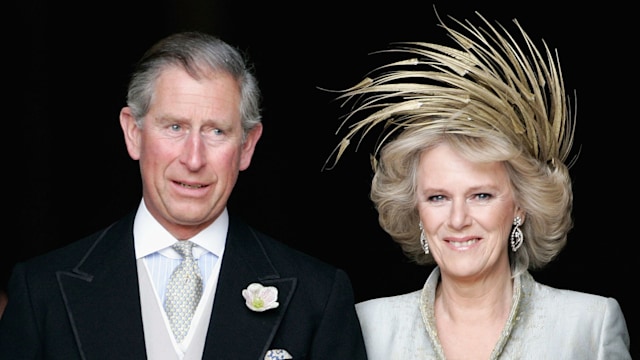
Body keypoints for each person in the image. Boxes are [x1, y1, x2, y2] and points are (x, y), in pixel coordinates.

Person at [0, 31, 367, 359]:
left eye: (216, 131)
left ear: (247, 146)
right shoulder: (41, 291)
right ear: (133, 132)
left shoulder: (317, 296)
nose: (193, 158)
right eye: (174, 127)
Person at [323, 10, 631, 360]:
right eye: (437, 197)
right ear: (417, 210)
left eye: (480, 195)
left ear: (520, 204)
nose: (457, 219)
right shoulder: (368, 326)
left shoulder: (589, 326)